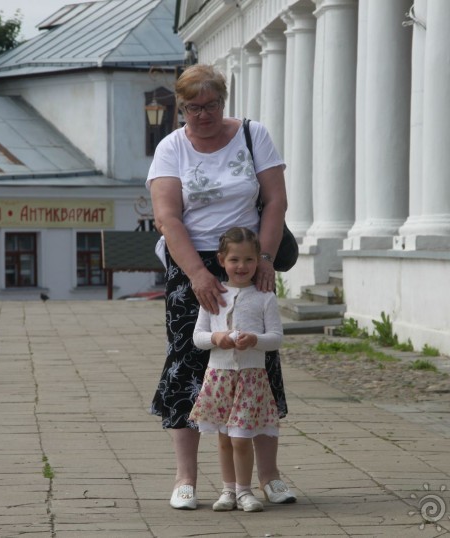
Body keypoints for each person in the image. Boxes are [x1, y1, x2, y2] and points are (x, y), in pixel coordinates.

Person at [147, 63, 296, 510]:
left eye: (211, 105)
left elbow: (276, 200)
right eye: (192, 108)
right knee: (188, 362)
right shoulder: (171, 148)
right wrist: (196, 273)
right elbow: (167, 217)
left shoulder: (253, 135)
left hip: (248, 260)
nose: (203, 115)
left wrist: (264, 260)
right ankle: (185, 478)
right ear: (180, 109)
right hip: (191, 262)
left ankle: (268, 476)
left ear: (223, 102)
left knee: (257, 365)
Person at [189, 227, 283, 512]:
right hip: (218, 377)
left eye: (248, 260)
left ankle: (244, 491)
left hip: (252, 378)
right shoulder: (214, 295)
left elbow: (276, 337)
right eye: (234, 260)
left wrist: (255, 340)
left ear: (258, 261)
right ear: (221, 260)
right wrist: (217, 338)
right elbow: (198, 336)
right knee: (224, 438)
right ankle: (227, 490)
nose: (241, 266)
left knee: (242, 437)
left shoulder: (264, 297)